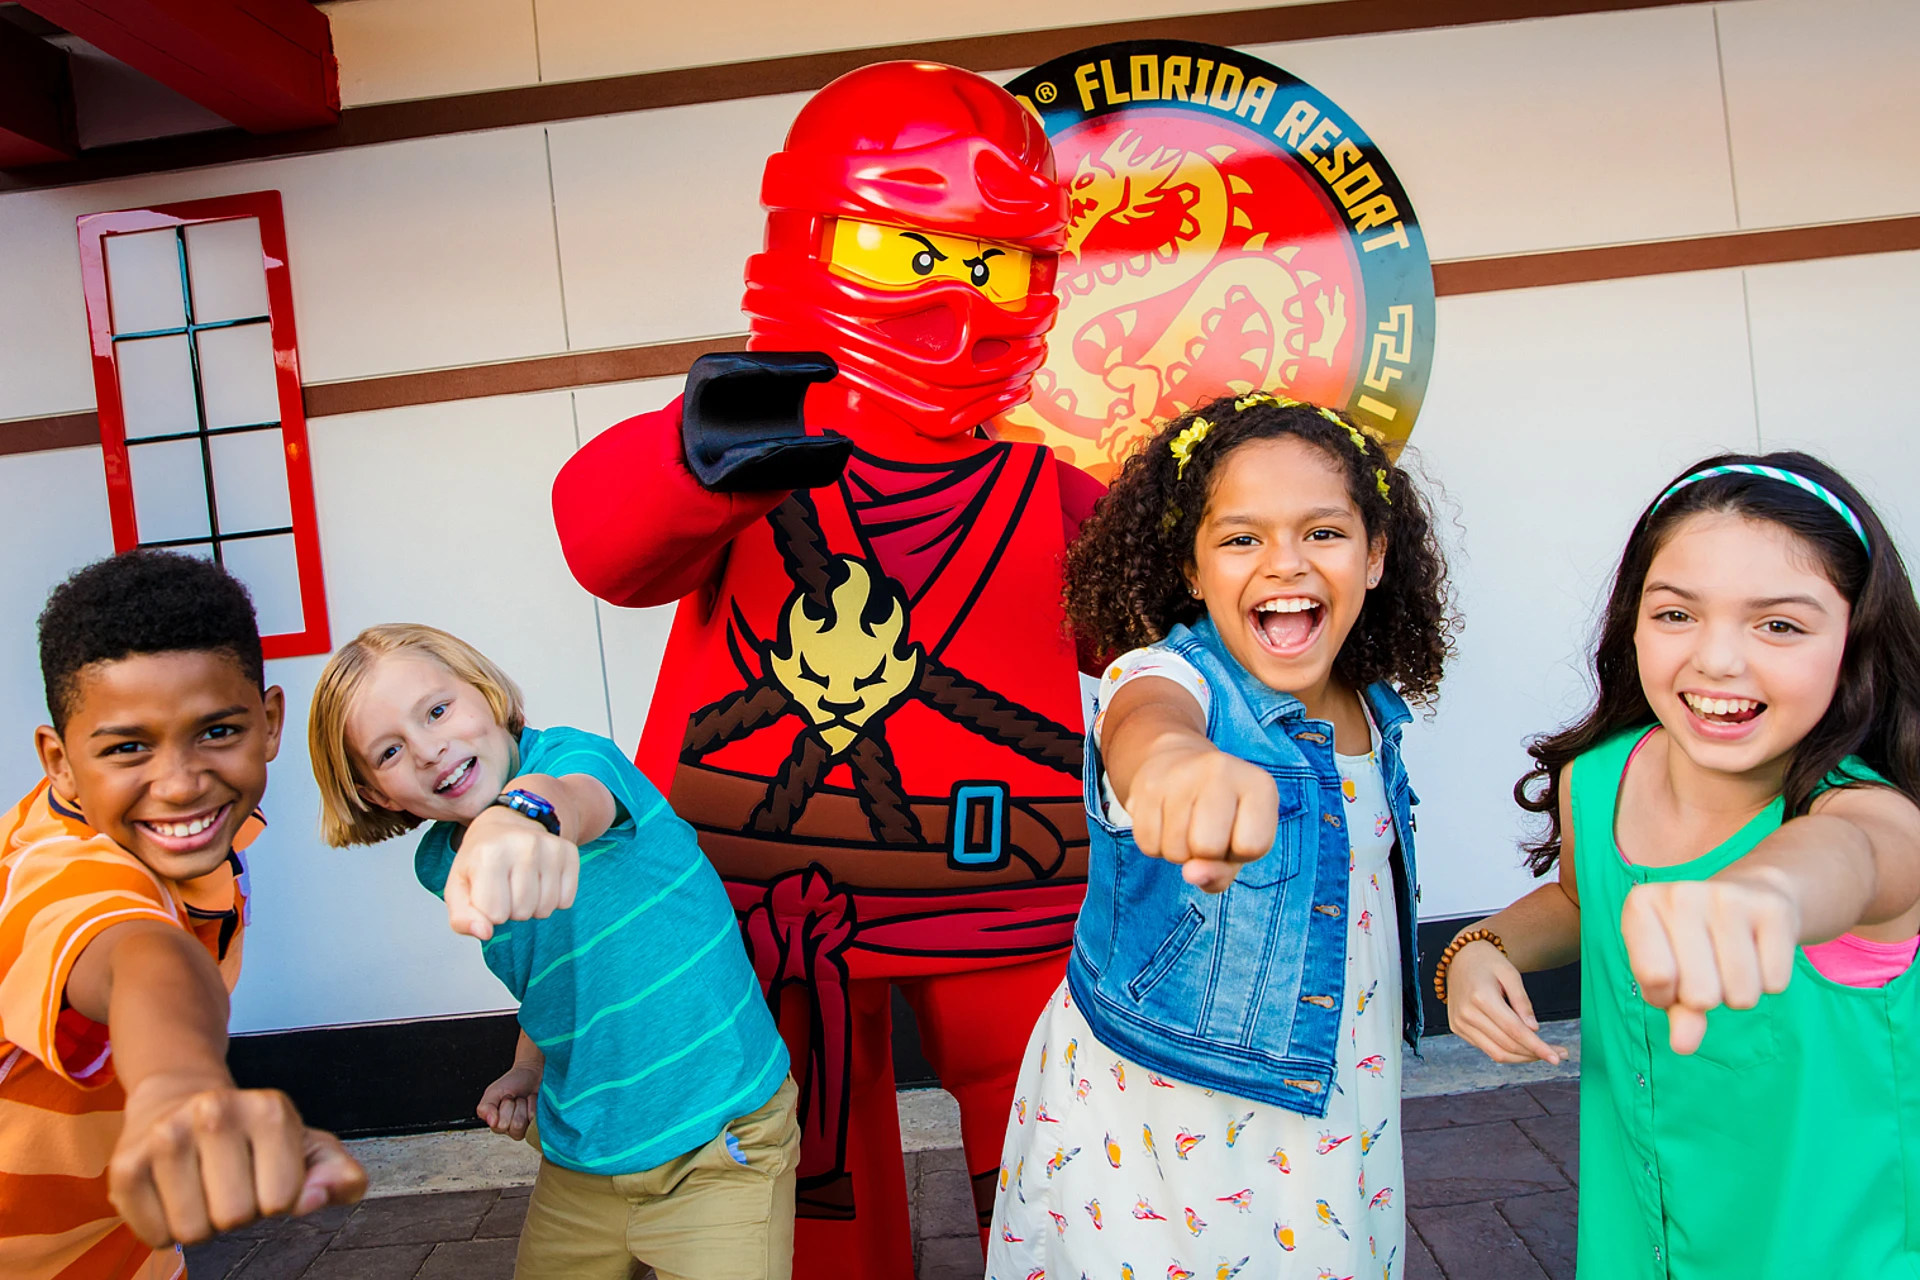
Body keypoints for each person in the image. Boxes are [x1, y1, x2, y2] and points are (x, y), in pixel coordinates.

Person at [551, 60, 1100, 1279]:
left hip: (1006, 878)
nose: (950, 299)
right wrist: (688, 459)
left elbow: (1164, 631)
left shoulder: (1051, 494)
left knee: (1049, 1126)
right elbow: (605, 544)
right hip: (762, 887)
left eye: (989, 265)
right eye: (909, 253)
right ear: (813, 240)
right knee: (803, 1162)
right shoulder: (737, 454)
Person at [987, 392, 1455, 1280]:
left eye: (1324, 532)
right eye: (1242, 538)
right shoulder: (1173, 677)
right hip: (1168, 1110)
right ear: (1193, 572)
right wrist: (1171, 763)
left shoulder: (1369, 708)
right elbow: (1146, 719)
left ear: (1376, 556)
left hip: (1330, 1076)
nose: (1286, 562)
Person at [1440, 453, 1920, 1277]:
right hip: (1633, 1245)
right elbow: (1582, 902)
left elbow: (1852, 859)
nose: (1718, 660)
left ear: (1853, 642)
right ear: (1632, 623)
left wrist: (1763, 893)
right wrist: (1480, 948)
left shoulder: (1870, 817)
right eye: (1676, 614)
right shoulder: (1598, 780)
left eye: (1779, 625)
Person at [307, 623, 798, 1280]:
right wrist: (527, 1068)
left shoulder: (576, 759)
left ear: (485, 693)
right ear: (375, 794)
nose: (428, 749)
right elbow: (558, 976)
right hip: (584, 1159)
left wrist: (519, 817)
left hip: (718, 1144)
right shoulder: (443, 865)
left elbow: (569, 798)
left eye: (437, 710)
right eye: (390, 751)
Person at [0, 551, 364, 1280]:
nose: (180, 784)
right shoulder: (57, 869)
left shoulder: (198, 844)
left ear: (269, 722)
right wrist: (180, 1086)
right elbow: (139, 956)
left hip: (127, 1244)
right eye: (129, 748)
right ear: (59, 760)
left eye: (217, 732)